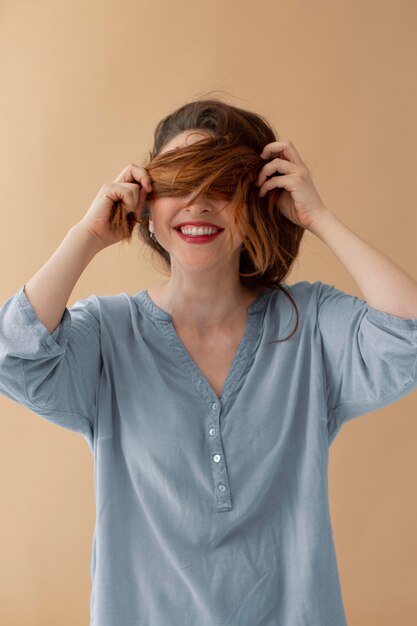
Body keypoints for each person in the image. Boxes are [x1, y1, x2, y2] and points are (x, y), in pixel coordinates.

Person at [0, 98, 417, 626]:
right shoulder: (107, 335)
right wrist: (85, 239)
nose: (198, 203)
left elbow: (409, 336)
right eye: (177, 184)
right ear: (146, 207)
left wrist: (319, 218)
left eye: (223, 185)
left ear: (262, 200)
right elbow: (12, 355)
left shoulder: (309, 323)